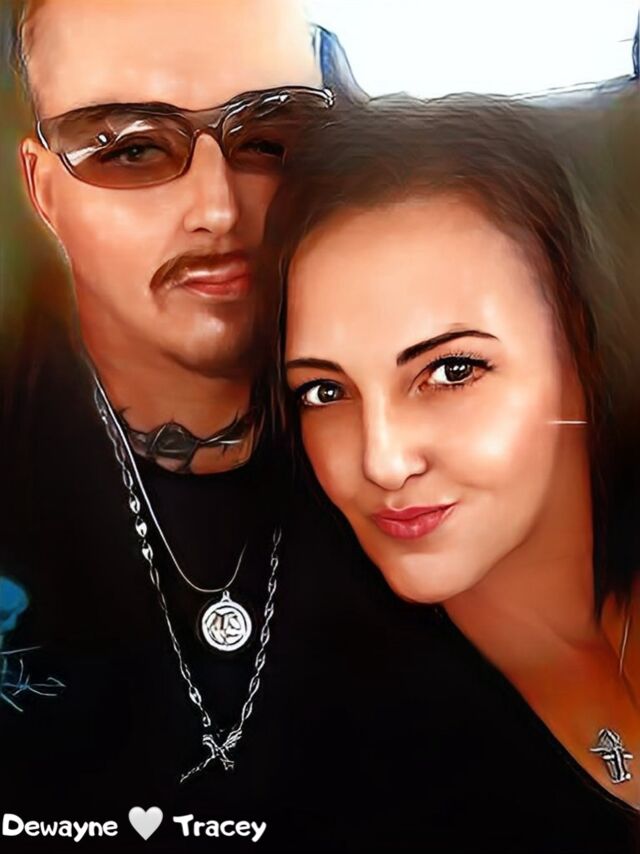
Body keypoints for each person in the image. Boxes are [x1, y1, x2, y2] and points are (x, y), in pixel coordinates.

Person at [0, 2, 370, 851]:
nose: (218, 210)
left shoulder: (439, 445)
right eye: (130, 148)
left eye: (271, 138)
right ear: (43, 191)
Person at [268, 95, 640, 850]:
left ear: (585, 348)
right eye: (325, 391)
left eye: (451, 370)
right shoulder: (347, 753)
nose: (382, 461)